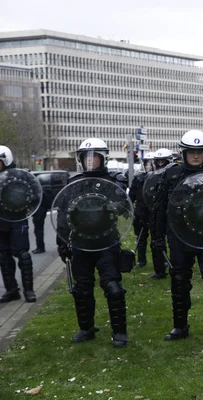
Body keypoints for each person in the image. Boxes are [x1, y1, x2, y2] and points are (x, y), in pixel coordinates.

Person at [153, 130, 203, 345]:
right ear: (183, 153)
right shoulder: (171, 175)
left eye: (199, 152)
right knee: (179, 281)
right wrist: (157, 236)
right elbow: (160, 208)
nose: (195, 156)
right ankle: (180, 326)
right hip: (180, 236)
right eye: (191, 152)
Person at [56, 138, 129, 347]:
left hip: (106, 242)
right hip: (80, 243)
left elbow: (124, 205)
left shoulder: (113, 180)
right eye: (85, 158)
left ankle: (120, 332)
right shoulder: (74, 183)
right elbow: (63, 215)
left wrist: (113, 205)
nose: (89, 162)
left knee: (113, 287)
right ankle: (86, 329)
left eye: (94, 158)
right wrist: (62, 243)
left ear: (103, 158)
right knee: (82, 289)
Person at [0, 146, 36, 303]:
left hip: (17, 220)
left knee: (23, 254)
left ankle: (29, 290)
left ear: (5, 160)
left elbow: (35, 193)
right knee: (3, 256)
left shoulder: (21, 176)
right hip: (0, 222)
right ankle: (12, 290)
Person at [145, 148, 173, 280]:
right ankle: (160, 269)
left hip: (172, 211)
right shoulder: (151, 177)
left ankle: (176, 266)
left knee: (174, 241)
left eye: (164, 161)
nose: (161, 164)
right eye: (158, 161)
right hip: (157, 212)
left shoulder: (175, 175)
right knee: (156, 241)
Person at [128, 152, 154, 268]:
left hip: (153, 212)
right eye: (147, 164)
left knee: (156, 239)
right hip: (140, 211)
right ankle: (141, 260)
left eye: (151, 164)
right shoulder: (138, 178)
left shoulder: (158, 177)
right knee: (141, 238)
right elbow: (132, 195)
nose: (149, 166)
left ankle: (160, 262)